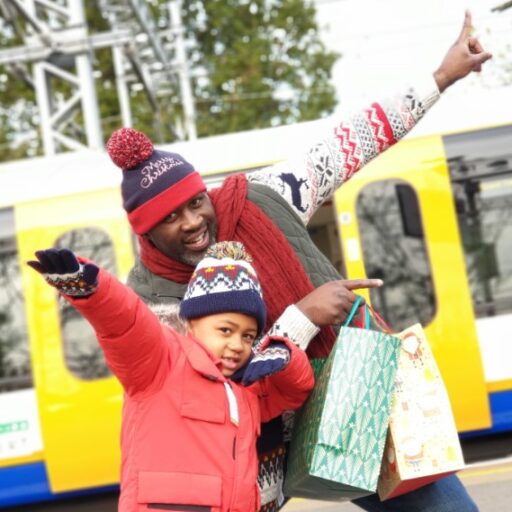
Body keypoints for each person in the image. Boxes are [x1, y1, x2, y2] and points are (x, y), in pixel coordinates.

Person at [105, 10, 488, 512]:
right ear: (145, 231)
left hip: (355, 403)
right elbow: (212, 384)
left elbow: (348, 145)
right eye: (170, 217)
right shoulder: (149, 300)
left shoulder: (261, 198)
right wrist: (302, 319)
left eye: (196, 202)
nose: (194, 221)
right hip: (251, 462)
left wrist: (441, 77)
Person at [27, 242, 314, 512]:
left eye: (248, 336)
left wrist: (286, 356)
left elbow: (296, 390)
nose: (238, 344)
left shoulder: (248, 386)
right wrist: (93, 291)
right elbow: (126, 323)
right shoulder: (161, 362)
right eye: (225, 330)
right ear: (191, 323)